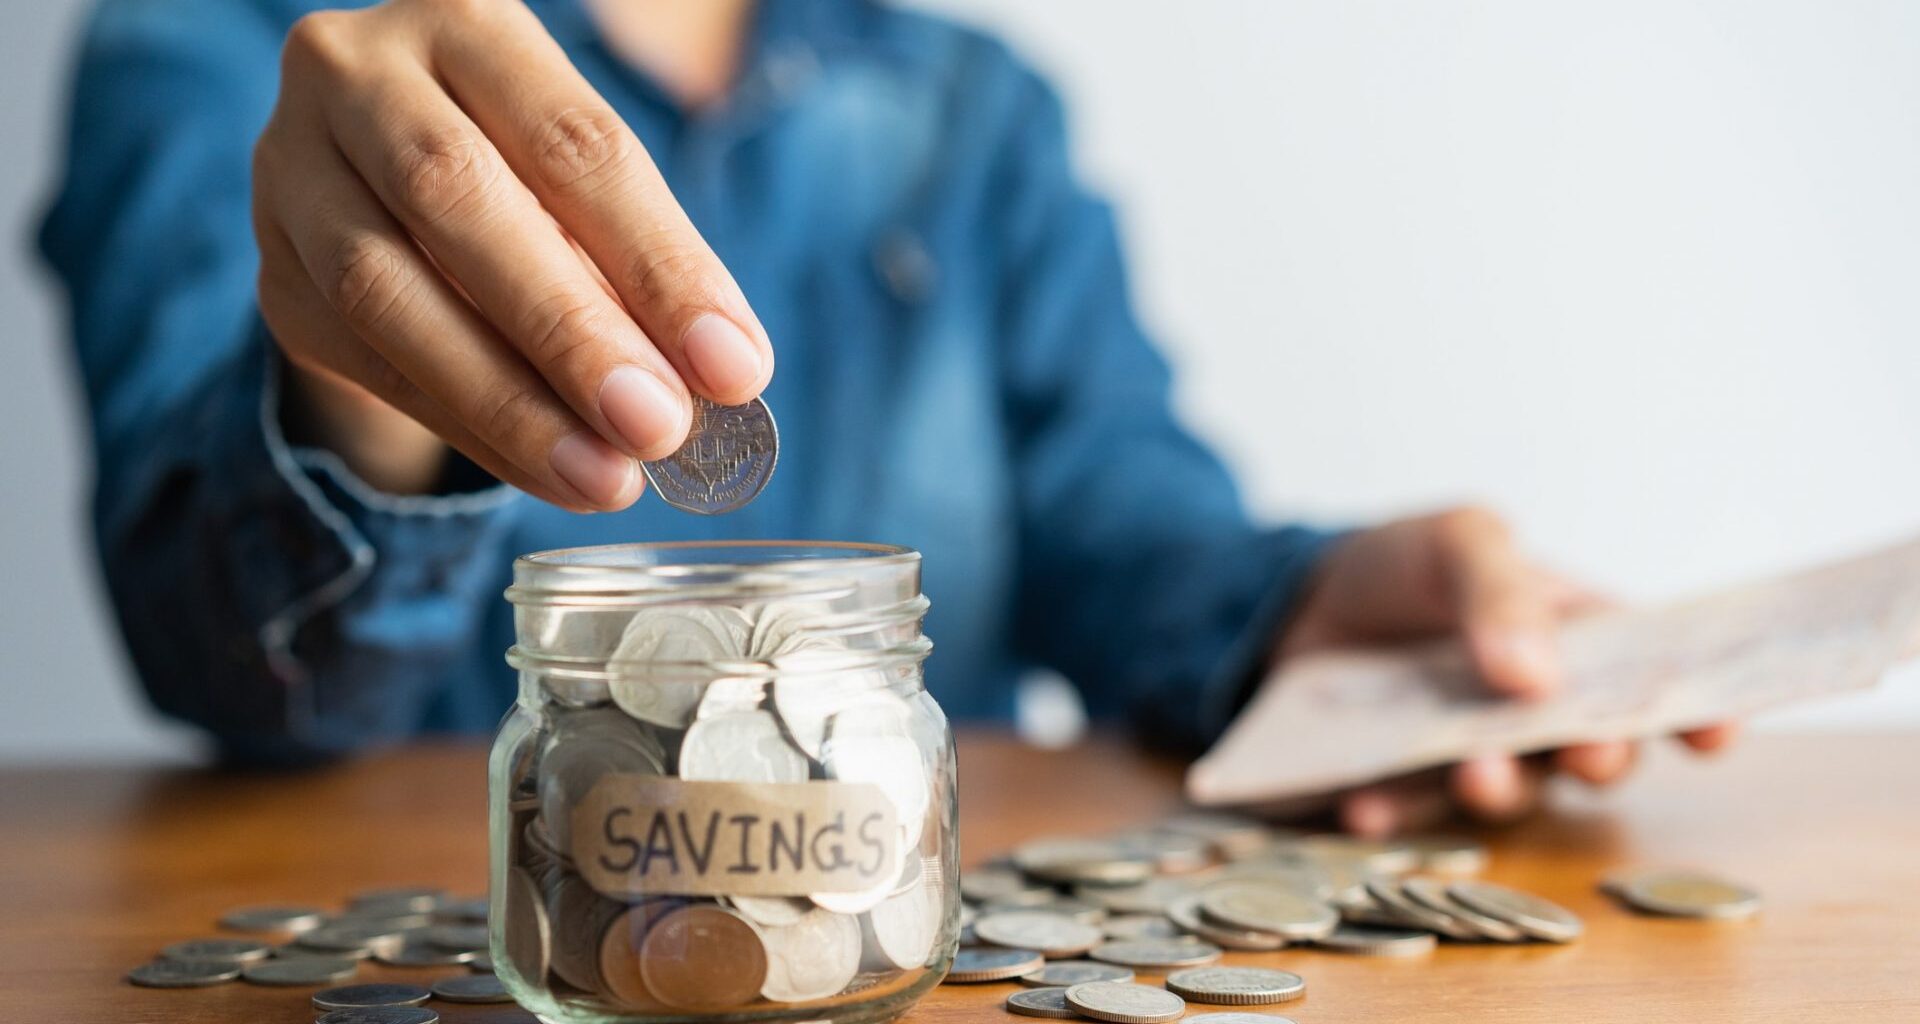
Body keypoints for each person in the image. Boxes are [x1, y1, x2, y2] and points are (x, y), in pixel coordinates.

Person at [38, 0, 1732, 836]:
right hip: (473, 934)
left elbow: (1113, 524)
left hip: (898, 903)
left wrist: (1297, 607)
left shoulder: (974, 110)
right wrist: (356, 369)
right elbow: (224, 658)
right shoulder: (228, 49)